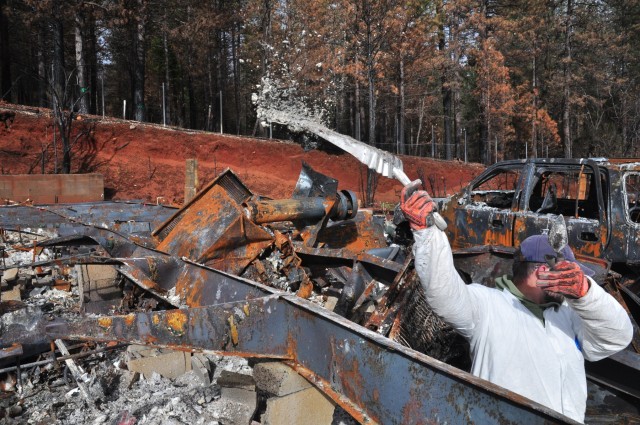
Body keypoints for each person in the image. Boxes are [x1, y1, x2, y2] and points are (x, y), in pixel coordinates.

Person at [400, 184, 633, 423]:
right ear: (543, 271)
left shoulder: (568, 315)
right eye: (567, 273)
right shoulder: (488, 307)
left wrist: (586, 295)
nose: (573, 282)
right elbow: (443, 292)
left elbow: (618, 337)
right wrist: (426, 233)